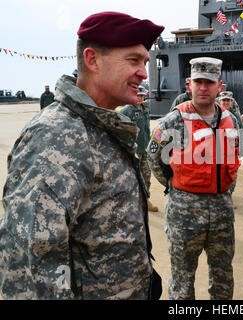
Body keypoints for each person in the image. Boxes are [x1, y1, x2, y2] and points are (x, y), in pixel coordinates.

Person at [0, 11, 164, 299]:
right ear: (92, 60)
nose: (144, 73)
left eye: (145, 62)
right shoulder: (54, 137)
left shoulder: (102, 127)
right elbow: (30, 269)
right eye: (133, 60)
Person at [147, 57, 241, 300]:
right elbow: (153, 157)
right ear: (189, 84)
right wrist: (174, 185)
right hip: (184, 213)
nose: (203, 87)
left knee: (223, 276)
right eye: (198, 82)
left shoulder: (231, 119)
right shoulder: (174, 120)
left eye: (209, 83)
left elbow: (234, 158)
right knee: (182, 279)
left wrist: (227, 189)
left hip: (222, 212)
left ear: (219, 86)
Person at [119, 86, 159, 212]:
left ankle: (145, 201)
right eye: (137, 95)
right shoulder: (126, 111)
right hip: (133, 151)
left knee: (146, 176)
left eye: (141, 96)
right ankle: (131, 202)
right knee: (133, 177)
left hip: (144, 149)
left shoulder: (145, 109)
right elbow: (120, 129)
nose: (139, 98)